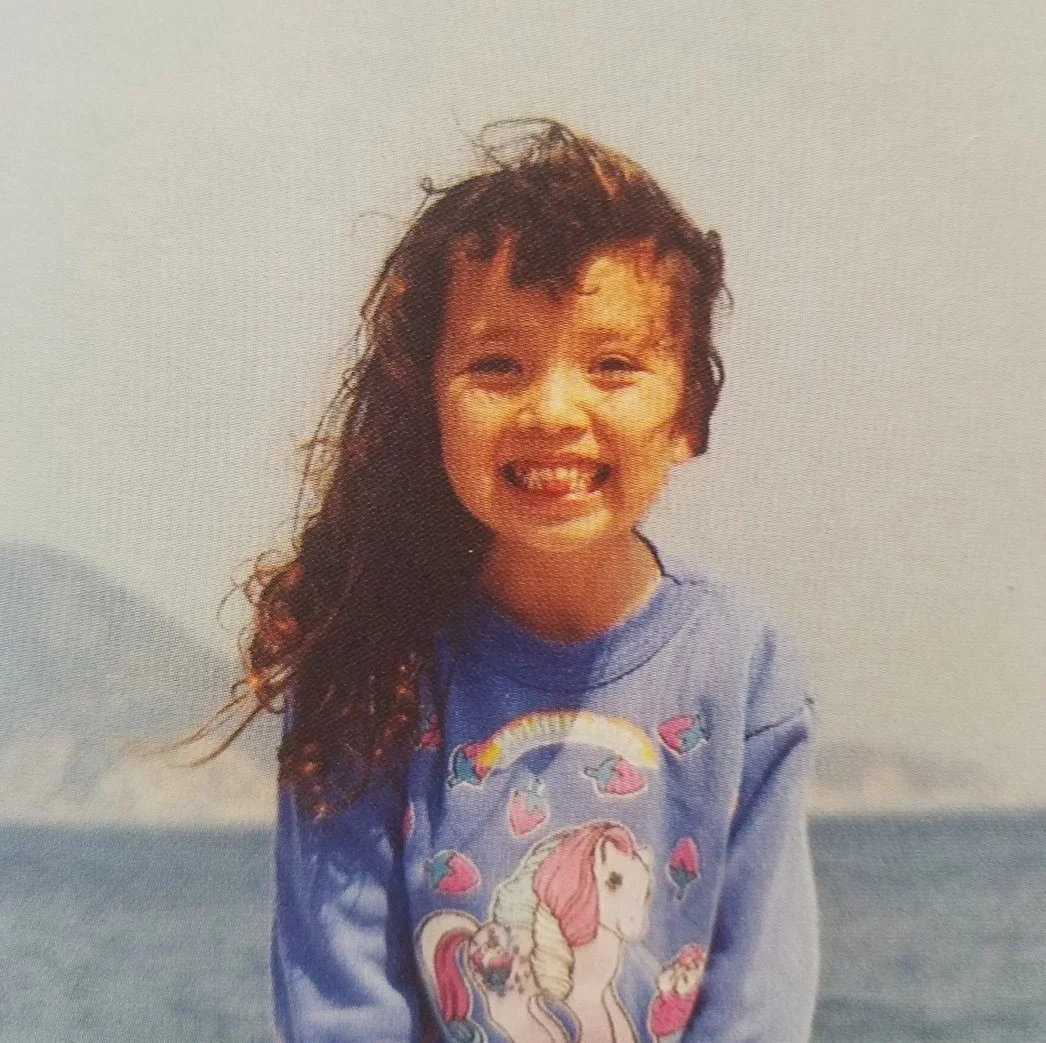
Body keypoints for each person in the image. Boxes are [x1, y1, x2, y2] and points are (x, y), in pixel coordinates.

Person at [229, 119, 818, 1041]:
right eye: (496, 365)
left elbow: (758, 995)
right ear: (428, 402)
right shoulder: (368, 664)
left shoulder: (743, 664)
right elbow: (340, 1002)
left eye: (614, 364)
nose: (552, 409)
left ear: (689, 414)